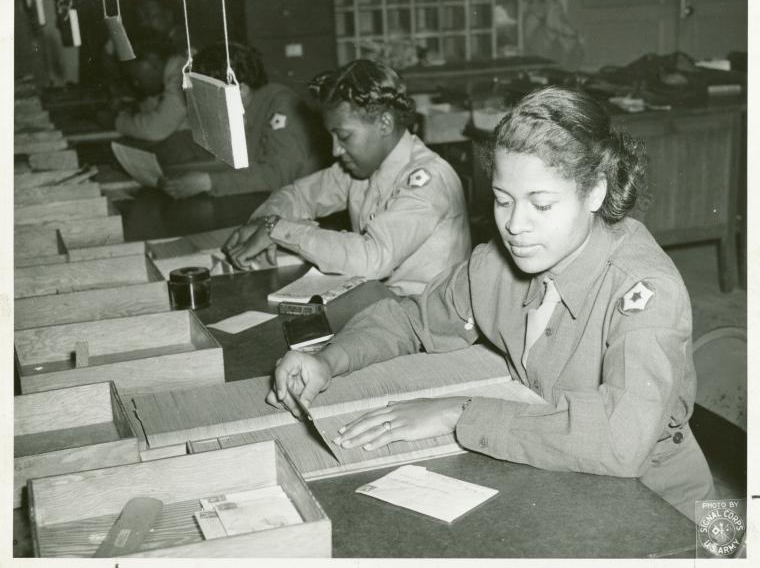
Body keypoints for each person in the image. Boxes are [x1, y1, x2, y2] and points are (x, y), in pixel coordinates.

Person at [266, 86, 715, 520]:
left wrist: (460, 413)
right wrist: (327, 359)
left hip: (671, 511)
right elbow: (411, 320)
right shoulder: (499, 264)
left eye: (540, 205)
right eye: (503, 201)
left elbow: (621, 442)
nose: (514, 226)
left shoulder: (646, 290)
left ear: (595, 192)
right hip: (565, 479)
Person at [223, 59, 471, 296]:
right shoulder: (361, 168)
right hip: (382, 304)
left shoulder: (428, 180)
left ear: (384, 123)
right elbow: (298, 195)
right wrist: (262, 223)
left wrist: (278, 229)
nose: (335, 150)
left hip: (429, 323)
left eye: (343, 136)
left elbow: (372, 258)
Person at [160, 42, 328, 198]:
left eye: (209, 95)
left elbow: (279, 174)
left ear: (241, 90)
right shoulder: (245, 108)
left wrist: (208, 182)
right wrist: (175, 175)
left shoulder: (282, 106)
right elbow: (235, 164)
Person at [113, 28, 188, 142]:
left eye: (137, 77)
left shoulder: (180, 77)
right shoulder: (174, 70)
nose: (136, 84)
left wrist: (116, 121)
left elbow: (155, 130)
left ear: (153, 59)